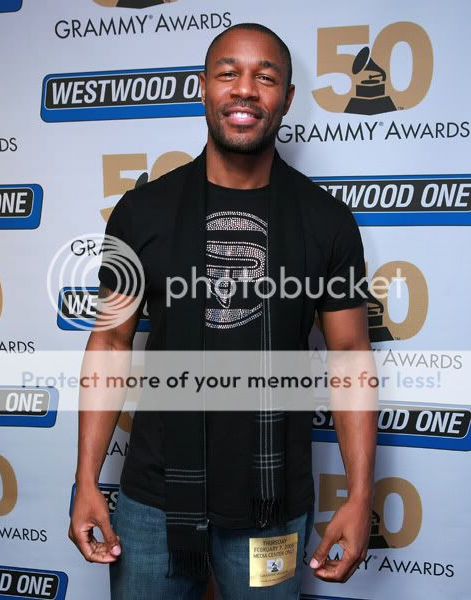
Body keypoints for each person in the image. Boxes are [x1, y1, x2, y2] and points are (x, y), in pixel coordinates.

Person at [68, 23, 377, 599]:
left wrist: (361, 495)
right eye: (228, 73)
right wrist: (86, 479)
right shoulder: (142, 212)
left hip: (272, 507)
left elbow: (350, 356)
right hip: (153, 500)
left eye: (266, 77)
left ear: (287, 98)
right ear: (203, 87)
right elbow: (110, 342)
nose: (245, 90)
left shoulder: (326, 220)